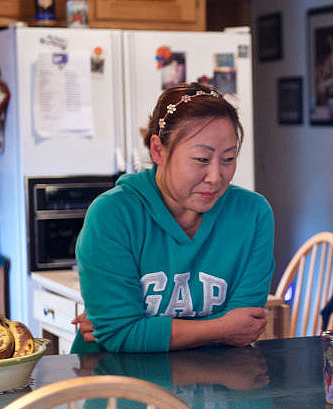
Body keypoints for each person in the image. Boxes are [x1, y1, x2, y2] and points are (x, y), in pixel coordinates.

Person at [70, 82, 274, 353]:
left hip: (220, 386)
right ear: (158, 151)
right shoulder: (113, 215)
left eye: (228, 159)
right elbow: (119, 333)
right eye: (202, 159)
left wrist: (140, 329)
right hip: (119, 385)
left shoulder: (253, 215)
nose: (215, 177)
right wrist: (221, 327)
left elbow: (245, 327)